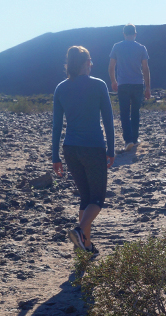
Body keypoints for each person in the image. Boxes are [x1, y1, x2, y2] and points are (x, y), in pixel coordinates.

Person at [52, 45, 115, 256]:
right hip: (93, 147)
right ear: (86, 63)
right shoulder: (98, 85)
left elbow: (56, 125)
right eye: (90, 61)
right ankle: (79, 231)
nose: (92, 65)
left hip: (70, 149)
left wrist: (55, 156)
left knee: (85, 198)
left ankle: (85, 247)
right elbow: (108, 120)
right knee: (97, 200)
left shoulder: (61, 88)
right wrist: (112, 149)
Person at [109, 24, 150, 151]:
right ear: (135, 34)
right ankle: (135, 138)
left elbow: (111, 67)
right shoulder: (141, 48)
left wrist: (113, 81)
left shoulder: (117, 47)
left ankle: (128, 141)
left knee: (125, 113)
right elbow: (145, 69)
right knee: (135, 112)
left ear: (124, 34)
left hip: (123, 84)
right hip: (138, 84)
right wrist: (148, 87)